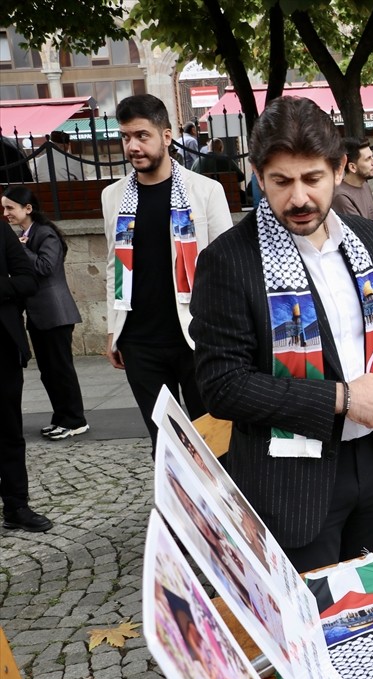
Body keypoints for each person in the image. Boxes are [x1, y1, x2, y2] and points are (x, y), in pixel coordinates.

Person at [190, 95, 373, 572]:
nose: (298, 198)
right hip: (292, 486)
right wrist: (343, 398)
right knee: (314, 631)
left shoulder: (365, 236)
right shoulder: (228, 261)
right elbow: (222, 386)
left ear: (338, 168)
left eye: (312, 179)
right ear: (257, 176)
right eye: (281, 181)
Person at [102, 94, 234, 446]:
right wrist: (115, 328)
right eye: (126, 137)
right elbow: (115, 263)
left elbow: (226, 267)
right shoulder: (113, 196)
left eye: (142, 135)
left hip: (197, 335)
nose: (132, 146)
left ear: (166, 135)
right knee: (165, 442)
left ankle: (218, 502)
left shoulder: (205, 191)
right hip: (140, 341)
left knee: (212, 439)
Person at [2, 186, 88, 440]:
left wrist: (20, 251)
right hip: (39, 316)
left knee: (61, 369)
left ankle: (75, 420)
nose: (6, 213)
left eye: (10, 207)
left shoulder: (45, 233)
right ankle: (60, 417)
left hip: (55, 313)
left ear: (27, 208)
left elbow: (46, 267)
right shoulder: (27, 234)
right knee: (48, 371)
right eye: (4, 208)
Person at [1, 224, 52, 532]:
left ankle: (16, 506)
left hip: (2, 347)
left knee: (8, 431)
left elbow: (27, 281)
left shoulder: (2, 232)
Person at [332, 137, 373, 228]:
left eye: (372, 157)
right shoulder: (341, 196)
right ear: (352, 167)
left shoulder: (364, 185)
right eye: (368, 159)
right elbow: (362, 234)